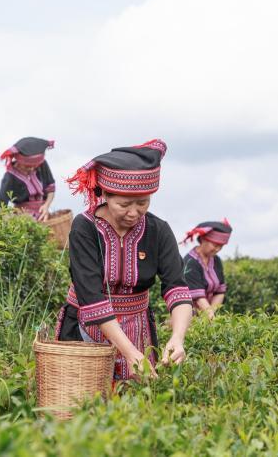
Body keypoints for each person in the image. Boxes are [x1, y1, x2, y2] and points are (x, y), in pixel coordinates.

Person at [56, 139, 193, 381]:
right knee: (81, 406)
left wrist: (177, 337)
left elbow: (177, 288)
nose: (133, 212)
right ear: (105, 195)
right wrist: (130, 353)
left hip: (138, 328)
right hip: (85, 328)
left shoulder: (158, 230)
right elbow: (91, 297)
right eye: (124, 204)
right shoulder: (84, 228)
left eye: (143, 203)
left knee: (135, 407)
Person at [181, 220, 233, 320]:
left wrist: (211, 313)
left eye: (221, 246)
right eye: (215, 245)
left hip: (208, 315)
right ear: (203, 239)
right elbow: (198, 298)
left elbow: (220, 291)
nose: (218, 249)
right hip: (189, 316)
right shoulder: (190, 262)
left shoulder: (216, 260)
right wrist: (211, 318)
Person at [0, 137, 56, 221]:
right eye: (27, 166)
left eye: (34, 166)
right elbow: (2, 206)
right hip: (23, 219)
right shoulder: (9, 177)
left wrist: (46, 206)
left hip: (44, 215)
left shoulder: (42, 165)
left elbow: (51, 189)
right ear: (19, 161)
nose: (32, 169)